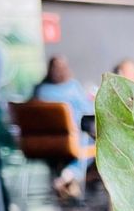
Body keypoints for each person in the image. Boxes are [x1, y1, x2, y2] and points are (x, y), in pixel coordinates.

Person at [33, 56, 94, 199]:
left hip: (43, 144)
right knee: (93, 141)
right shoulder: (72, 87)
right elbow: (88, 109)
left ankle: (67, 180)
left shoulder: (39, 90)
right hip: (71, 141)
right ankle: (69, 175)